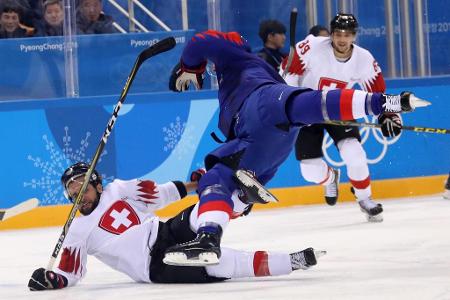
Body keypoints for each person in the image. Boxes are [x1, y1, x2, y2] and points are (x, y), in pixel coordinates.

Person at [164, 29, 427, 266]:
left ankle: (387, 104)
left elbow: (200, 41)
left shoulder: (238, 57)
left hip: (263, 103)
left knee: (319, 111)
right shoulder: (265, 66)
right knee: (217, 177)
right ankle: (209, 238)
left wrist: (189, 66)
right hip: (261, 140)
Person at [27, 162, 324, 290]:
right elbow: (69, 273)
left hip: (164, 232)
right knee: (224, 263)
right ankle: (293, 261)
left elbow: (161, 194)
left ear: (96, 183)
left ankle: (241, 199)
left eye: (81, 186)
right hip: (154, 266)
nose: (76, 194)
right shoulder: (76, 231)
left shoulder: (119, 189)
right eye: (70, 190)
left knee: (201, 212)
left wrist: (195, 183)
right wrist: (50, 280)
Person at [280, 13, 400, 222]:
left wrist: (390, 115)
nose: (342, 39)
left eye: (347, 35)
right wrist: (291, 100)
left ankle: (365, 199)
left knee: (354, 152)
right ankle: (330, 178)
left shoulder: (364, 59)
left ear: (354, 36)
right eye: (337, 34)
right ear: (332, 35)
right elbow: (288, 70)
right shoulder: (312, 46)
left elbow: (379, 93)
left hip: (338, 107)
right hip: (306, 108)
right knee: (310, 173)